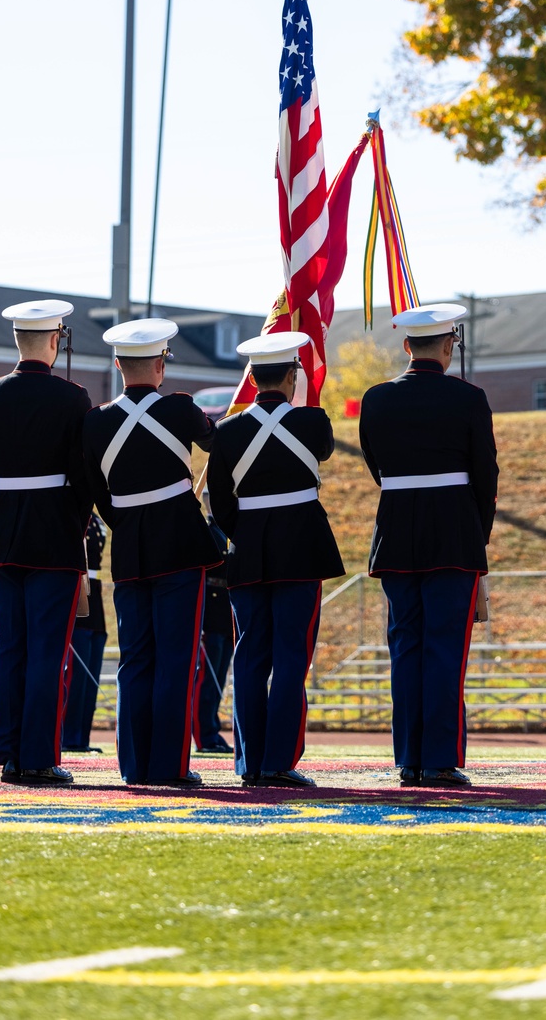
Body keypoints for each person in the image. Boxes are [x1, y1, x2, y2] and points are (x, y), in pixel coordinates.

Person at [358, 303, 498, 788]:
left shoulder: (375, 399)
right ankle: (438, 758)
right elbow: (486, 477)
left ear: (406, 347)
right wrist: (478, 539)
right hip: (454, 533)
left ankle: (409, 759)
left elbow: (376, 469)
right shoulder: (469, 397)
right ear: (448, 346)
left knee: (406, 649)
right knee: (444, 650)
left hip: (396, 531)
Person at [82, 319, 220, 787]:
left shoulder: (96, 420)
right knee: (177, 659)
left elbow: (96, 489)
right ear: (161, 365)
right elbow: (217, 445)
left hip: (130, 550)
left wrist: (125, 519)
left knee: (135, 659)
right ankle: (170, 766)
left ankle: (135, 766)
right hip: (180, 544)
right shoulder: (181, 408)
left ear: (118, 365)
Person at [206, 332, 342, 787]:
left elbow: (220, 505)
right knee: (290, 659)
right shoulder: (313, 421)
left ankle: (249, 763)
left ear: (251, 378)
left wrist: (245, 534)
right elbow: (321, 451)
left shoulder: (224, 432)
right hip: (301, 551)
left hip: (248, 554)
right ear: (291, 375)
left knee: (249, 657)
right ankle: (280, 761)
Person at [0, 299, 91, 786]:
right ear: (56, 341)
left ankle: (10, 752)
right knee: (46, 653)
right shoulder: (73, 398)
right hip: (52, 540)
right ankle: (37, 757)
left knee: (9, 649)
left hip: (2, 537)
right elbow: (82, 478)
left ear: (17, 341)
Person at [62, 514, 108, 753]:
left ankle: (81, 737)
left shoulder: (96, 522)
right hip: (77, 592)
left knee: (89, 680)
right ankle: (68, 736)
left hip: (95, 600)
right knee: (75, 677)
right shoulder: (72, 513)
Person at [192, 561, 235, 755]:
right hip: (210, 615)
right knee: (207, 682)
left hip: (225, 614)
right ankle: (204, 736)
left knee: (218, 681)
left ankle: (212, 731)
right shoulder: (209, 531)